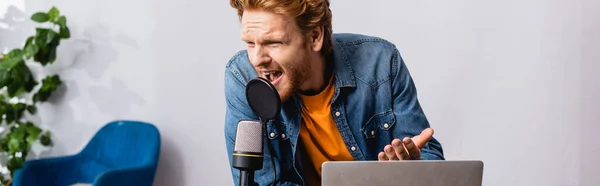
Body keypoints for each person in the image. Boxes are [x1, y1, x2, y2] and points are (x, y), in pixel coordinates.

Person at [223, 0, 444, 185]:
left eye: (273, 42)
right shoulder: (243, 78)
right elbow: (262, 182)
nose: (256, 59)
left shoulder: (380, 63)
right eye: (250, 43)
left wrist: (411, 168)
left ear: (314, 37)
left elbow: (428, 156)